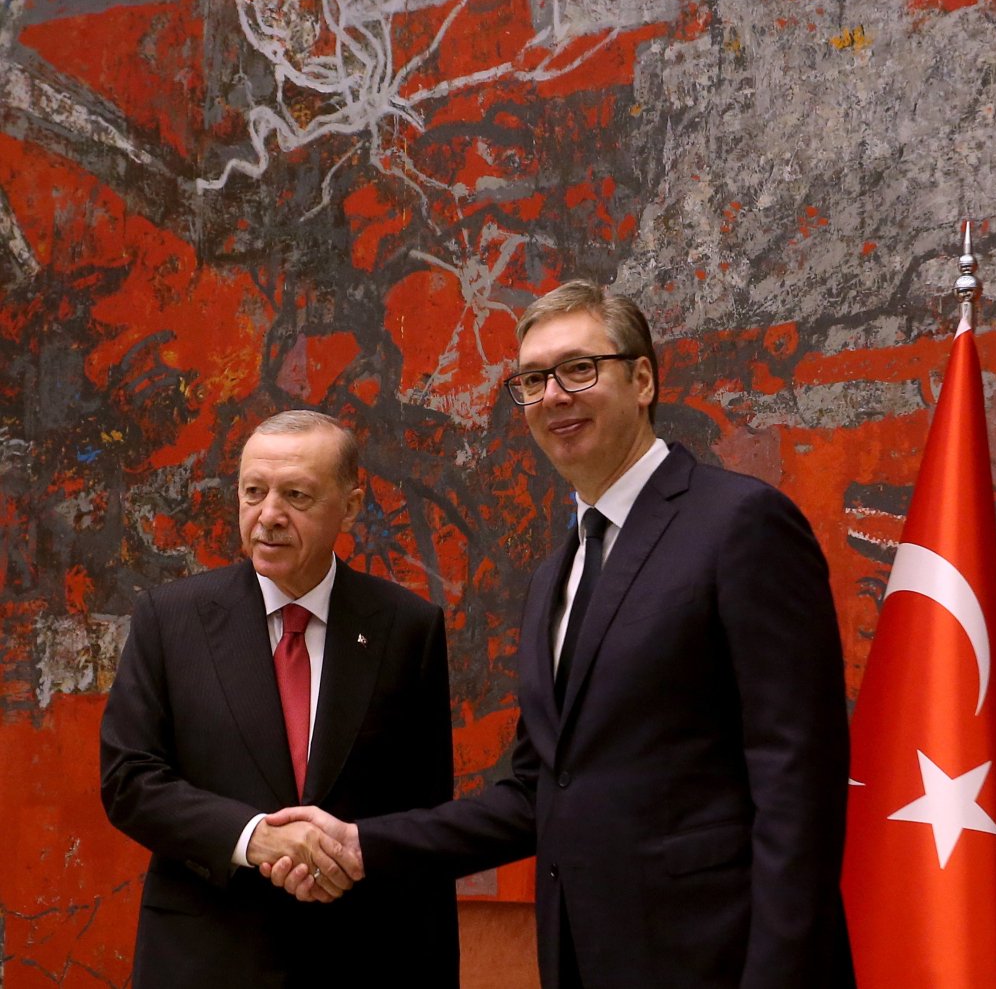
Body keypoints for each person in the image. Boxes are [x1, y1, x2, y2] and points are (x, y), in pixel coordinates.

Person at [268, 281, 855, 988]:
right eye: (533, 379)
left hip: (718, 960)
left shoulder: (742, 524)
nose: (553, 395)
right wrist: (360, 843)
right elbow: (536, 791)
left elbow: (799, 785)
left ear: (642, 379)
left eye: (580, 368)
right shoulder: (557, 571)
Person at [100, 410, 459, 988]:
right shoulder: (171, 619)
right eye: (253, 492)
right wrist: (255, 838)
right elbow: (130, 780)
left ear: (351, 504)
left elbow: (426, 814)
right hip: (208, 956)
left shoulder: (406, 627)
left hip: (365, 957)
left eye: (296, 495)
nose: (269, 516)